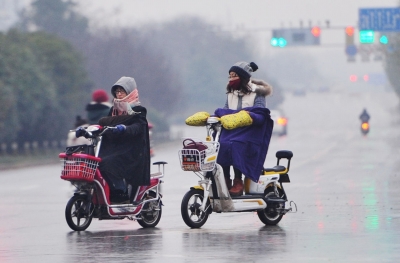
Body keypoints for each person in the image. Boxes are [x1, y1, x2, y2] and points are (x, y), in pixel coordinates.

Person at [220, 61, 273, 196]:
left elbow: (261, 115)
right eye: (230, 76)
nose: (231, 79)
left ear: (243, 77)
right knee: (220, 146)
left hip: (250, 133)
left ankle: (238, 181)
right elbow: (225, 110)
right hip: (231, 131)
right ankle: (225, 179)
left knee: (235, 146)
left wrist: (248, 116)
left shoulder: (257, 92)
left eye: (234, 76)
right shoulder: (230, 93)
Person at [96, 76, 150, 203]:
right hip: (115, 148)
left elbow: (138, 127)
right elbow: (104, 124)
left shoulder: (138, 110)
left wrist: (124, 128)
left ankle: (121, 192)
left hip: (131, 151)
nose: (119, 94)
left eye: (122, 91)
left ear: (130, 92)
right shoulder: (114, 109)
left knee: (109, 162)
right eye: (117, 91)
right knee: (98, 163)